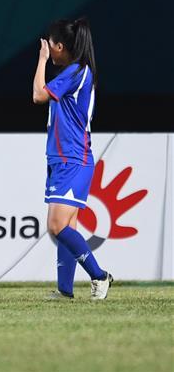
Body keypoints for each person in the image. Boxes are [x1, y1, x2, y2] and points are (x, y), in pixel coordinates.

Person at [32, 18, 112, 300]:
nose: (49, 50)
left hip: (73, 158)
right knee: (68, 226)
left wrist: (41, 61)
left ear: (60, 46)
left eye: (51, 46)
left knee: (57, 226)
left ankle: (100, 276)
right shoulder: (73, 71)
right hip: (62, 157)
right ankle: (65, 290)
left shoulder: (77, 70)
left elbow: (38, 95)